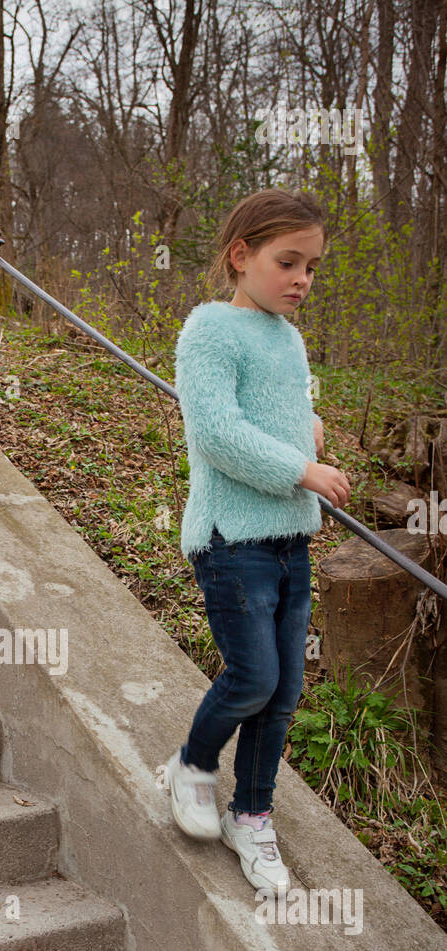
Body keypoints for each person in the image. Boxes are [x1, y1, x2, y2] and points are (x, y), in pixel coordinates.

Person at [162, 188, 351, 893]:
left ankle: (254, 813)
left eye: (313, 267)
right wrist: (302, 466)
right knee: (254, 677)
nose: (303, 278)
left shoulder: (289, 337)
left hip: (291, 540)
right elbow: (215, 431)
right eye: (288, 262)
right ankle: (193, 764)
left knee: (285, 690)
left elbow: (278, 411)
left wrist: (312, 432)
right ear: (241, 257)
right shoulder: (211, 330)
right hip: (232, 538)